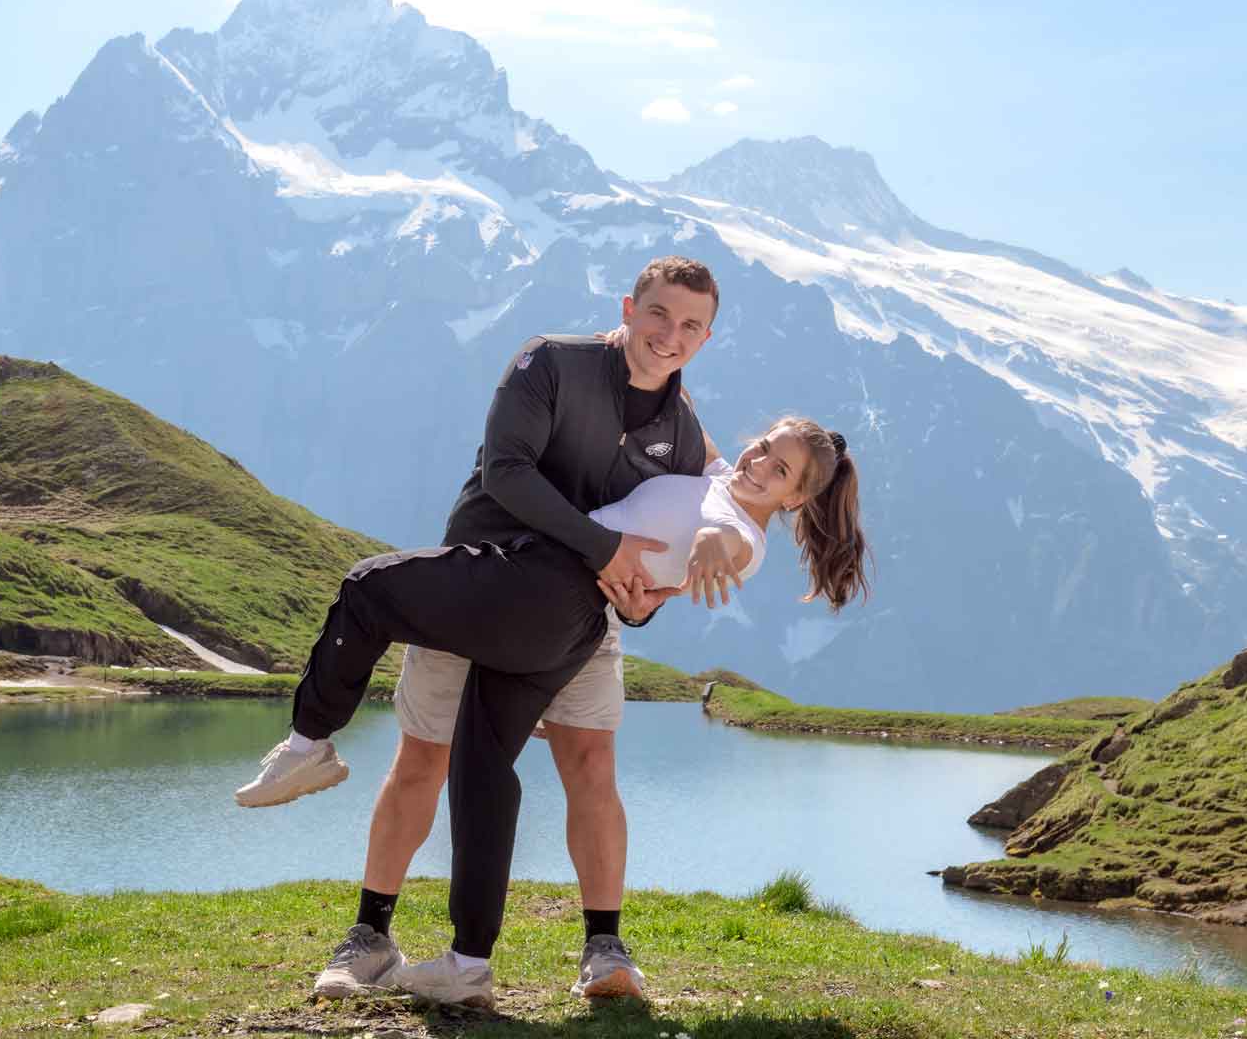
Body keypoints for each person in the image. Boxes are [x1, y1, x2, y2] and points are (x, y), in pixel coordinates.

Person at [243, 410, 869, 1007]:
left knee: (367, 587)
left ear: (794, 502)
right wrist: (632, 347)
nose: (759, 462)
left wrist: (709, 544)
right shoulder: (717, 476)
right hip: (558, 613)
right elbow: (686, 415)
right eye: (764, 445)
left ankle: (309, 745)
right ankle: (466, 964)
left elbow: (723, 541)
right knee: (477, 769)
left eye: (780, 470)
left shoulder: (743, 533)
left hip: (545, 592)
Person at [237, 257, 719, 1002]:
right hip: (480, 585)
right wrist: (605, 551)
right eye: (658, 314)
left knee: (590, 765)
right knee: (424, 759)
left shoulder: (685, 440)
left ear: (706, 336)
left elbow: (650, 575)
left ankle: (602, 949)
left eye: (690, 325)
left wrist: (644, 598)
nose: (669, 335)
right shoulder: (550, 361)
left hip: (578, 623)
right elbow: (507, 472)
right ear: (629, 307)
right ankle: (371, 936)